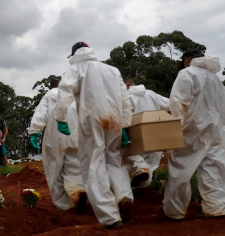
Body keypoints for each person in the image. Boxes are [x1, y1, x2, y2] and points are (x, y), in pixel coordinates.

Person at [54, 41, 133, 229]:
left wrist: (60, 117)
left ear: (74, 54)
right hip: (113, 118)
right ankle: (124, 195)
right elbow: (124, 98)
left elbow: (65, 92)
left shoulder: (75, 69)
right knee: (113, 159)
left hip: (91, 119)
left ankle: (110, 216)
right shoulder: (112, 70)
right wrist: (125, 124)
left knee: (93, 164)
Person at [163, 49, 225, 220]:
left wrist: (175, 128)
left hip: (192, 128)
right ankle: (215, 208)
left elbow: (178, 102)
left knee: (181, 165)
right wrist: (221, 124)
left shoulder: (186, 74)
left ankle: (175, 211)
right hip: (216, 129)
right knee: (214, 166)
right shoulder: (215, 79)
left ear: (186, 59)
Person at [27, 78, 86, 212]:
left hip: (55, 137)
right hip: (74, 137)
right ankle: (78, 190)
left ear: (50, 86)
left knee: (54, 169)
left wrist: (35, 131)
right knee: (74, 167)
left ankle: (64, 205)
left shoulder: (50, 95)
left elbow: (41, 114)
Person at [123, 79, 170, 188]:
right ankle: (143, 190)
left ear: (126, 87)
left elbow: (124, 118)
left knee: (129, 155)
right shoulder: (151, 94)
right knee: (151, 164)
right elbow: (170, 104)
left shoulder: (127, 97)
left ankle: (140, 169)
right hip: (157, 134)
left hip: (138, 135)